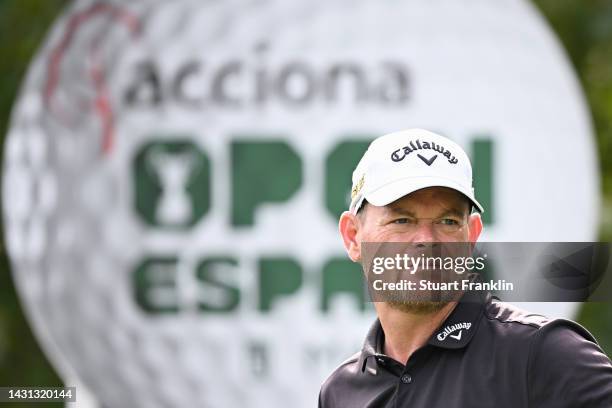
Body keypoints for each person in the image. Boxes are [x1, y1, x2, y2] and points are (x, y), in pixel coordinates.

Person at [318, 129, 612, 407]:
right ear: (353, 237)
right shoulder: (339, 391)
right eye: (402, 220)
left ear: (471, 236)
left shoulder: (544, 353)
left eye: (447, 222)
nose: (427, 241)